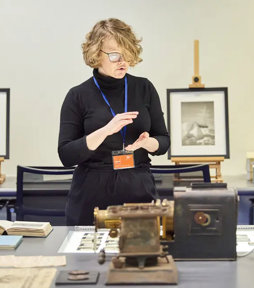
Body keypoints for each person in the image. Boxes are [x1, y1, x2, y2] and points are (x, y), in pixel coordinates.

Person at [58, 18, 170, 225]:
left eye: (127, 54)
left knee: (142, 254)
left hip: (138, 191)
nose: (123, 62)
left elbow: (163, 140)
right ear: (95, 54)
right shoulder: (78, 95)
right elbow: (66, 154)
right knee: (88, 257)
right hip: (92, 194)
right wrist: (105, 130)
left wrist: (147, 143)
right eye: (115, 55)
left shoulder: (144, 88)